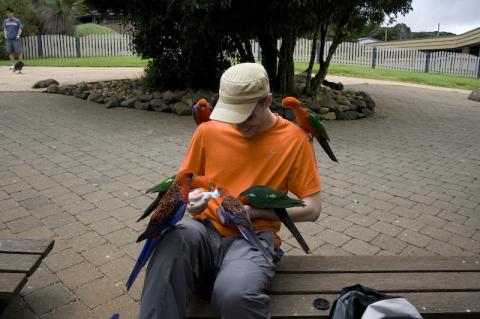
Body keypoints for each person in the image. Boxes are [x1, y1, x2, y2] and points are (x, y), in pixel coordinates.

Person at [139, 62, 322, 319]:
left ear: (267, 100)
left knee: (235, 295)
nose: (239, 125)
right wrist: (188, 202)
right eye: (232, 116)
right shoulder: (207, 130)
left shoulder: (295, 140)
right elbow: (185, 183)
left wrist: (257, 212)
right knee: (167, 247)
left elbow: (313, 209)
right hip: (202, 230)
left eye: (247, 116)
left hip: (253, 237)